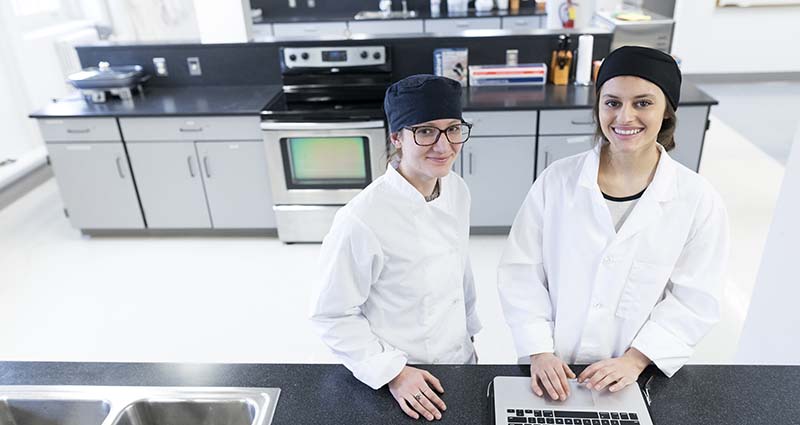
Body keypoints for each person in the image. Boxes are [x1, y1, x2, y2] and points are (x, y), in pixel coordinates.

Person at [498, 46, 730, 401]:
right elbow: (521, 271)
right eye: (612, 102)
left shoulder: (698, 199)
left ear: (667, 110)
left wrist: (635, 360)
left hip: (636, 376)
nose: (625, 117)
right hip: (552, 369)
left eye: (643, 103)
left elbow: (696, 298)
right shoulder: (557, 181)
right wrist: (539, 350)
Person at [309, 74, 481, 421]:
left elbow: (458, 271)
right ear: (397, 138)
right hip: (400, 376)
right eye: (425, 131)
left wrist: (470, 334)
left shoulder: (456, 189)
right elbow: (330, 314)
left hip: (460, 362)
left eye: (453, 129)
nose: (444, 145)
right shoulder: (362, 219)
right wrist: (393, 373)